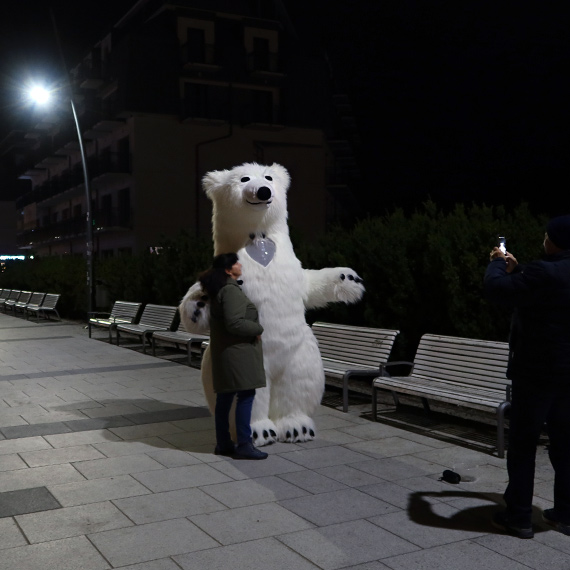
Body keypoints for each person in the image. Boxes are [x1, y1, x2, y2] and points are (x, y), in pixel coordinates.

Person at [484, 215, 570, 539]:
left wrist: (497, 263)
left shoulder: (544, 271)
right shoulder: (547, 273)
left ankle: (519, 516)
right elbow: (546, 294)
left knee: (523, 446)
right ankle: (566, 512)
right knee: (565, 446)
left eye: (547, 236)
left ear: (555, 241)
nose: (544, 240)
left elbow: (496, 289)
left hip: (536, 375)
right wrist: (517, 270)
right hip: (568, 376)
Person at [198, 252, 268, 460]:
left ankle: (224, 443)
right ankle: (245, 444)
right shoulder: (230, 290)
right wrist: (257, 328)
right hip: (238, 353)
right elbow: (234, 322)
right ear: (228, 270)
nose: (240, 264)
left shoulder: (220, 288)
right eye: (236, 262)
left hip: (227, 351)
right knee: (246, 396)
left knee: (225, 397)